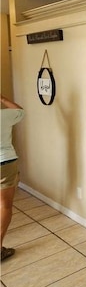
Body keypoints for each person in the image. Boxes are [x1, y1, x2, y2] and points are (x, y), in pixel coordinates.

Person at [1, 95, 24, 261]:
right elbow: (20, 111)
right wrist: (2, 98)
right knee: (5, 206)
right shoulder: (5, 115)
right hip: (5, 162)